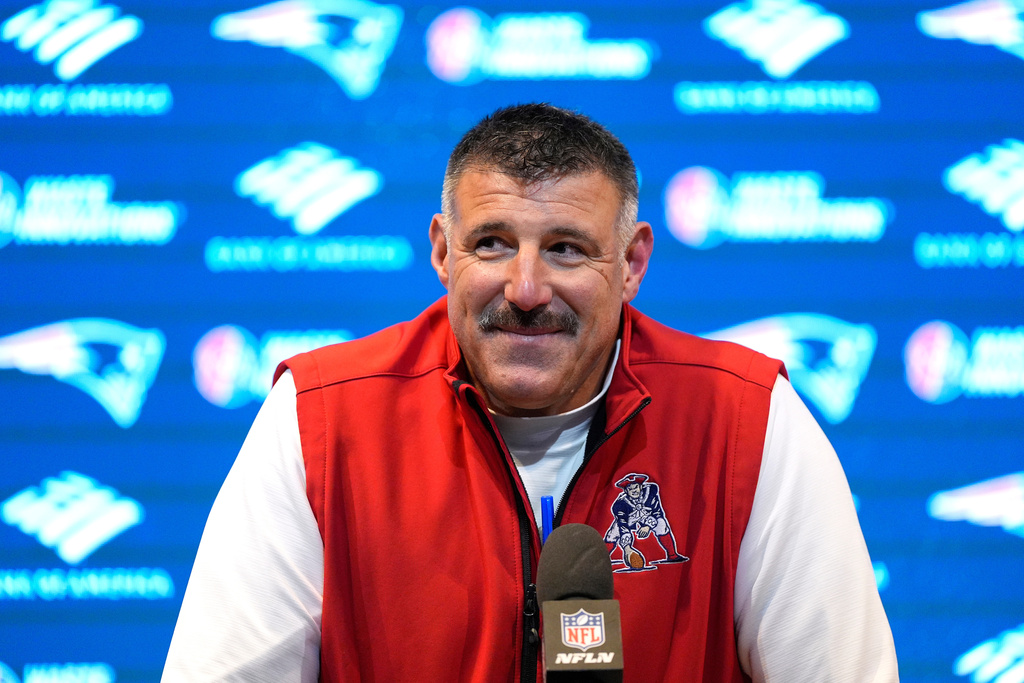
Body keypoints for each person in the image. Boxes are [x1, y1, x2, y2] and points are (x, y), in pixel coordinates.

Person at [162, 103, 898, 682]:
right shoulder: (322, 420)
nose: (524, 289)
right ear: (443, 253)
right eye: (491, 243)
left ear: (634, 260)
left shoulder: (746, 421)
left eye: (566, 248)